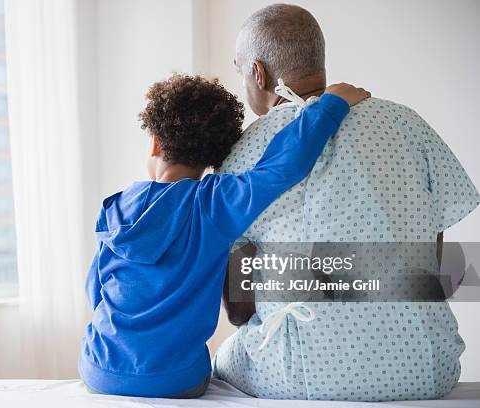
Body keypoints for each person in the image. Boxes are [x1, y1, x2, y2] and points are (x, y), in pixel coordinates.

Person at [213, 3, 480, 401]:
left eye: (241, 70)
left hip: (298, 374)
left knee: (220, 360)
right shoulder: (407, 123)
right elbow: (433, 261)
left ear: (259, 72)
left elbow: (240, 309)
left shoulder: (243, 151)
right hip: (426, 368)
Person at [78, 73, 369, 398]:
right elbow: (280, 167)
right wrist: (332, 104)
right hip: (176, 380)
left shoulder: (114, 208)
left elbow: (95, 291)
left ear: (156, 142)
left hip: (98, 369)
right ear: (213, 157)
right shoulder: (213, 203)